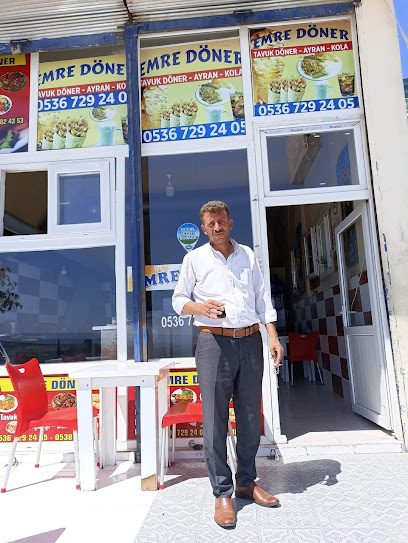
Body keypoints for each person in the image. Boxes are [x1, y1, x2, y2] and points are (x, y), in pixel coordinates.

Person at [172, 200, 283, 528]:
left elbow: (263, 297)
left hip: (250, 340)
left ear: (230, 223)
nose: (217, 227)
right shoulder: (194, 259)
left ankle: (246, 482)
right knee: (215, 420)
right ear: (204, 228)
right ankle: (222, 493)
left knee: (250, 416)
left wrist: (272, 336)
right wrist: (200, 308)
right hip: (213, 343)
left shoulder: (247, 255)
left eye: (221, 221)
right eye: (211, 223)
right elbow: (178, 300)